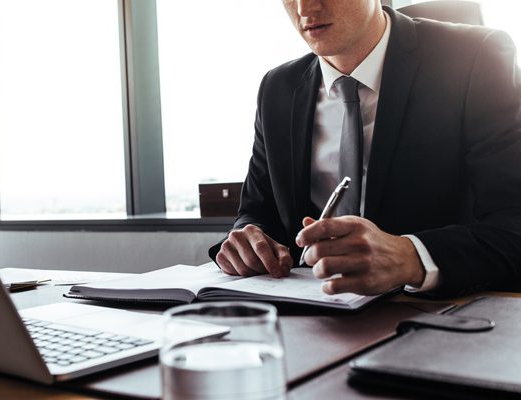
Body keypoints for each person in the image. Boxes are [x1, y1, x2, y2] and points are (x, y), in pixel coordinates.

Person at [209, 0, 521, 298]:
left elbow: (513, 223)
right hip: (309, 316)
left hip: (438, 317)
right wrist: (250, 240)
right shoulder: (278, 88)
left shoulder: (476, 58)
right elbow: (257, 212)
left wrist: (411, 258)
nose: (306, 9)